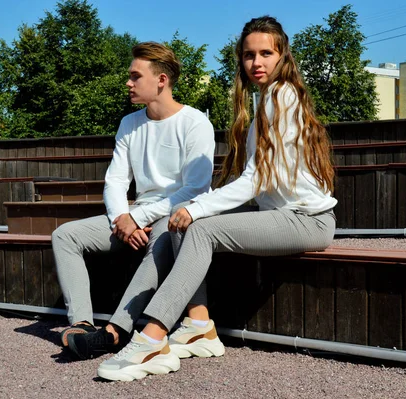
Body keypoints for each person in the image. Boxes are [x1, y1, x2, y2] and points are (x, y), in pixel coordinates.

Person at [94, 15, 338, 382]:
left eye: (266, 53)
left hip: (307, 220)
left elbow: (255, 178)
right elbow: (255, 178)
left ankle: (151, 337)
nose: (256, 63)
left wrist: (196, 207)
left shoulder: (281, 96)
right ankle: (200, 325)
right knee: (184, 220)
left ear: (282, 55)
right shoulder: (267, 99)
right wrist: (191, 209)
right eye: (249, 55)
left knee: (197, 223)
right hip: (284, 215)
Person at [51, 41, 216, 359]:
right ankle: (82, 325)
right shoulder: (129, 124)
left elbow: (194, 189)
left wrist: (136, 220)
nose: (128, 82)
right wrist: (120, 219)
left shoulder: (195, 123)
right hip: (133, 216)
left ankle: (115, 332)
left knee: (162, 238)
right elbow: (114, 180)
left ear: (161, 81)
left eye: (135, 76)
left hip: (175, 217)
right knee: (65, 235)